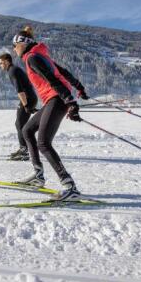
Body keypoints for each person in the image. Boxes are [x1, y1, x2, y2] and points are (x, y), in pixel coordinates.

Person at [12, 26, 90, 201]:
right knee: (27, 130)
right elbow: (62, 72)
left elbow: (52, 79)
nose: (13, 49)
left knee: (44, 143)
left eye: (14, 45)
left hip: (57, 99)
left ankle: (70, 187)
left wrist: (70, 101)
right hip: (53, 100)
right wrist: (79, 87)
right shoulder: (39, 56)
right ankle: (38, 175)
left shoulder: (32, 58)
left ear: (22, 44)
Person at [0, 52, 38, 161]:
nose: (0, 65)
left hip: (28, 98)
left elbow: (19, 90)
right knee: (19, 124)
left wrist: (26, 105)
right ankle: (23, 149)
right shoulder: (14, 69)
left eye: (1, 63)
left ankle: (24, 152)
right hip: (30, 98)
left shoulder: (12, 71)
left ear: (6, 61)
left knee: (20, 125)